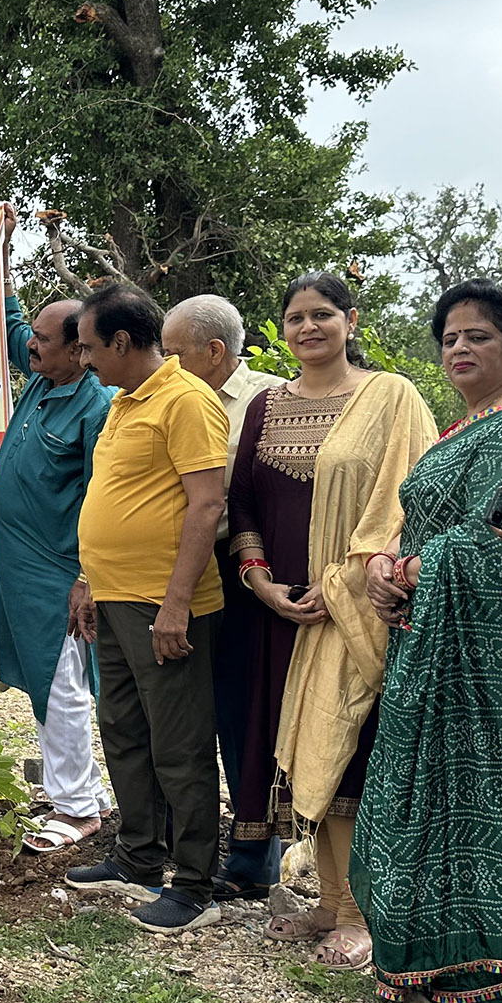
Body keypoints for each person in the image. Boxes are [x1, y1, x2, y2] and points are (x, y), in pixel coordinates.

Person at [356, 281, 502, 1003]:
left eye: (479, 337)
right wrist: (381, 566)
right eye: (450, 337)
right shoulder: (462, 429)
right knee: (428, 798)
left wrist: (412, 570)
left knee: (488, 802)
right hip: (431, 638)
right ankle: (432, 962)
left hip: (491, 661)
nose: (459, 348)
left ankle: (492, 977)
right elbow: (422, 520)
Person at [227, 274, 435, 968]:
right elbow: (245, 507)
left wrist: (343, 580)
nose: (308, 328)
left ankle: (357, 912)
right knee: (299, 748)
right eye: (294, 319)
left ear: (351, 321)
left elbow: (413, 498)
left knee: (352, 751)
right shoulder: (265, 406)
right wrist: (261, 585)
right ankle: (324, 900)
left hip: (355, 611)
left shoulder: (390, 398)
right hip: (281, 611)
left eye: (322, 315)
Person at [66, 282, 228, 932]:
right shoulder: (124, 402)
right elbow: (116, 494)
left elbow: (208, 504)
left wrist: (175, 605)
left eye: (88, 348)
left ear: (123, 342)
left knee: (179, 746)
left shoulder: (187, 400)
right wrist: (88, 580)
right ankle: (137, 857)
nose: (84, 360)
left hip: (163, 604)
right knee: (125, 731)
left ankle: (194, 886)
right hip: (114, 595)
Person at [0, 216, 114, 850]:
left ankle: (75, 808)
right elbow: (7, 324)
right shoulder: (43, 376)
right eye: (33, 337)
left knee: (63, 679)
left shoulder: (97, 405)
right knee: (46, 676)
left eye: (44, 339)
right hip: (17, 564)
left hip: (59, 567)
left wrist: (87, 576)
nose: (30, 346)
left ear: (80, 349)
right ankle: (83, 790)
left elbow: (101, 496)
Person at [160, 294, 285, 894]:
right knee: (188, 712)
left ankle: (252, 856)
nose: (165, 364)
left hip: (240, 572)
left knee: (244, 713)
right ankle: (186, 842)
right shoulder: (164, 398)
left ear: (214, 352)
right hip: (173, 571)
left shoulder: (272, 402)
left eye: (174, 353)